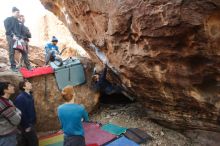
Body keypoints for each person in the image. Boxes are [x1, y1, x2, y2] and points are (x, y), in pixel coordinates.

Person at [4, 7, 32, 71]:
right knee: (12, 52)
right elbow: (7, 29)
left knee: (24, 51)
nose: (18, 14)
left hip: (19, 38)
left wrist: (21, 38)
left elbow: (22, 31)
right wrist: (12, 35)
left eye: (19, 12)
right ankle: (13, 67)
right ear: (13, 12)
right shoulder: (7, 19)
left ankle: (29, 66)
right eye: (17, 12)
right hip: (11, 37)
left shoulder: (19, 22)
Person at [14, 81, 38, 146]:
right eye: (28, 83)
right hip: (26, 125)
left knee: (30, 141)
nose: (31, 84)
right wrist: (26, 126)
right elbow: (20, 113)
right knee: (32, 142)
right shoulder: (20, 98)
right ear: (24, 87)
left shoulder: (29, 95)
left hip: (31, 123)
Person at [0, 82, 21, 146]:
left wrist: (15, 111)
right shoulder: (4, 104)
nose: (13, 87)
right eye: (10, 86)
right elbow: (17, 120)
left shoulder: (7, 101)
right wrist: (18, 112)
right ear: (5, 90)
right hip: (7, 136)